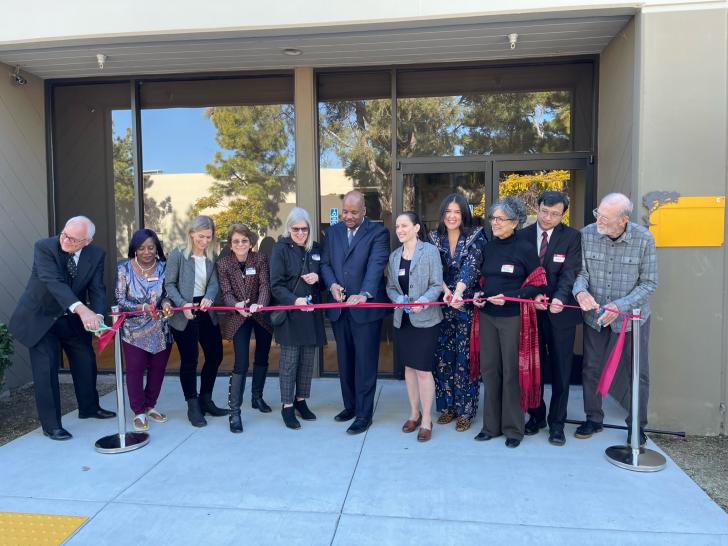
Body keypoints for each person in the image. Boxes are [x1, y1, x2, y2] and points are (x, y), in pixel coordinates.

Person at [9, 216, 115, 441]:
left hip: (70, 319)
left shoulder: (96, 254)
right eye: (64, 234)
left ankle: (89, 408)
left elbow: (97, 288)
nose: (65, 241)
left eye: (73, 239)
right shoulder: (44, 247)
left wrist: (96, 314)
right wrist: (82, 310)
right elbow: (54, 282)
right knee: (46, 372)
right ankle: (51, 425)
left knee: (85, 360)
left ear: (87, 241)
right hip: (41, 319)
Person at [573, 193, 658, 446]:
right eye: (598, 214)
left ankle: (636, 426)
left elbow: (650, 283)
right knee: (591, 368)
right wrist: (580, 291)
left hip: (633, 318)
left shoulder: (644, 239)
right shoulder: (587, 234)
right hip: (596, 315)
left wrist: (619, 306)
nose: (599, 220)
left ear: (624, 220)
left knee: (638, 373)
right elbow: (581, 272)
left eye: (606, 218)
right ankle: (593, 418)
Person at [473, 197, 545, 448]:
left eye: (500, 219)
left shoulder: (524, 248)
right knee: (490, 370)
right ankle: (490, 427)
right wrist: (479, 296)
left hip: (513, 318)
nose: (494, 223)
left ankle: (514, 429)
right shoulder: (489, 247)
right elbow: (484, 280)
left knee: (512, 372)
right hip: (488, 317)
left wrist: (513, 297)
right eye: (492, 218)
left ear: (515, 222)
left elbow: (538, 281)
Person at [321, 190, 389, 435]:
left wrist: (365, 293)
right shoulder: (333, 233)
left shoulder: (378, 233)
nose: (348, 216)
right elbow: (325, 264)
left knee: (365, 364)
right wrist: (332, 284)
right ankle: (349, 406)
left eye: (353, 212)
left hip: (365, 310)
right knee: (345, 361)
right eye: (345, 212)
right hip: (340, 308)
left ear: (364, 212)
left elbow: (376, 264)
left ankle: (363, 414)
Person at [520, 191, 582, 446]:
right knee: (533, 367)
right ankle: (536, 416)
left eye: (555, 214)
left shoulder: (572, 237)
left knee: (561, 369)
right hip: (531, 313)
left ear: (562, 214)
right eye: (545, 211)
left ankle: (558, 424)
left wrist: (559, 298)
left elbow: (570, 272)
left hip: (560, 313)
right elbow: (521, 271)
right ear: (538, 207)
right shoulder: (522, 235)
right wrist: (531, 296)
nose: (548, 217)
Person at [428, 194, 485, 432]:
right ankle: (448, 407)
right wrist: (445, 292)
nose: (452, 216)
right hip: (442, 305)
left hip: (466, 306)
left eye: (457, 212)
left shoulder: (476, 237)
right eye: (448, 211)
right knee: (442, 358)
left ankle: (466, 410)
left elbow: (473, 266)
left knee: (466, 359)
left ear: (464, 215)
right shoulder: (433, 238)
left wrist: (459, 293)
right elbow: (432, 267)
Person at [164, 215, 226, 428]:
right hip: (184, 311)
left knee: (215, 355)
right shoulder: (178, 255)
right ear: (191, 234)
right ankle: (192, 405)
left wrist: (209, 297)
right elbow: (169, 284)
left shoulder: (212, 255)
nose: (205, 241)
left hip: (206, 309)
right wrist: (183, 304)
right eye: (201, 236)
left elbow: (214, 282)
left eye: (209, 237)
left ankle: (205, 399)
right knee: (190, 359)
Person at [386, 212, 443, 442]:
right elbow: (390, 287)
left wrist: (423, 302)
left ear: (417, 227)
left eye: (404, 226)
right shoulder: (394, 256)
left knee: (423, 369)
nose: (399, 230)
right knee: (409, 368)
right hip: (403, 321)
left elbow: (436, 284)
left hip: (426, 320)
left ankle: (427, 420)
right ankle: (413, 413)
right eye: (397, 226)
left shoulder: (430, 252)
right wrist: (397, 299)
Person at [270, 208, 326, 430]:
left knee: (307, 361)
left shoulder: (315, 249)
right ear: (289, 228)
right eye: (296, 229)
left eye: (305, 229)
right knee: (289, 362)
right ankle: (287, 406)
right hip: (292, 313)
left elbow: (323, 281)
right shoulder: (280, 249)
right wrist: (295, 301)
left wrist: (317, 277)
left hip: (311, 313)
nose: (301, 233)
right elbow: (276, 284)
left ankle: (301, 401)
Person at [217, 223, 274, 433]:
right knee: (241, 361)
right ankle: (234, 412)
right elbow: (226, 291)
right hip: (237, 315)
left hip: (260, 314)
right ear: (230, 244)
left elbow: (265, 285)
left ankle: (257, 397)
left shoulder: (260, 259)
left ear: (251, 243)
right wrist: (237, 306)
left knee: (262, 356)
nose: (240, 244)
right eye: (236, 241)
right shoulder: (223, 263)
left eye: (244, 241)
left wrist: (260, 303)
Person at [114, 228, 173, 432]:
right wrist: (141, 308)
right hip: (133, 329)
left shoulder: (164, 267)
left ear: (156, 248)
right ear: (135, 250)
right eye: (142, 248)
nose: (147, 252)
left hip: (160, 327)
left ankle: (150, 406)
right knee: (136, 369)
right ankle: (138, 411)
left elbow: (168, 293)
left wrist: (166, 303)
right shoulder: (124, 269)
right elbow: (120, 300)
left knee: (158, 369)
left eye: (151, 247)